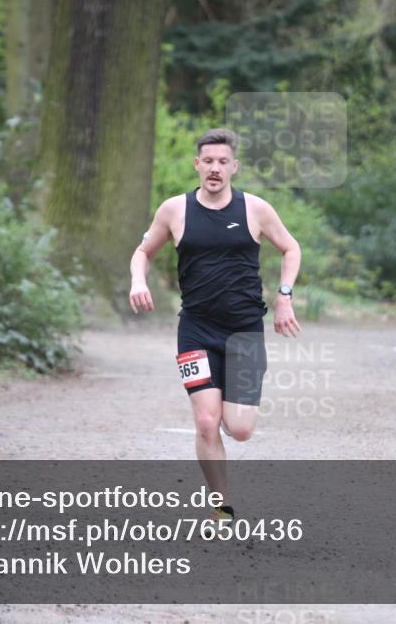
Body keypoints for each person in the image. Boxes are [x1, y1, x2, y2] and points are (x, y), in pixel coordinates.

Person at [129, 128, 301, 523]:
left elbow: (291, 247)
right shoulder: (175, 210)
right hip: (196, 329)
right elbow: (143, 251)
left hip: (244, 332)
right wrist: (138, 279)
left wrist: (284, 297)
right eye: (208, 161)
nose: (215, 168)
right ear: (197, 164)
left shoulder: (255, 209)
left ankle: (224, 480)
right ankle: (220, 507)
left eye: (223, 162)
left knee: (239, 429)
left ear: (234, 167)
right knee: (207, 421)